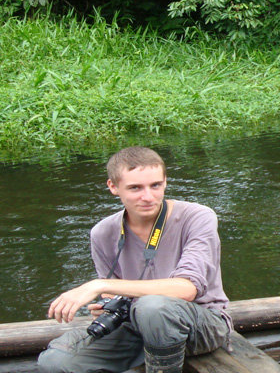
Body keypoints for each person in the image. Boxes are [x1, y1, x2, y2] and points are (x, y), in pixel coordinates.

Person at [37, 146, 231, 373]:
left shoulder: (197, 217)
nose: (148, 197)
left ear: (166, 181)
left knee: (154, 307)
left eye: (155, 185)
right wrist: (108, 305)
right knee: (56, 362)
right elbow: (116, 293)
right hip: (136, 324)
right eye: (135, 188)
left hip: (200, 324)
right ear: (113, 187)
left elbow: (187, 289)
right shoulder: (102, 232)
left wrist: (99, 285)